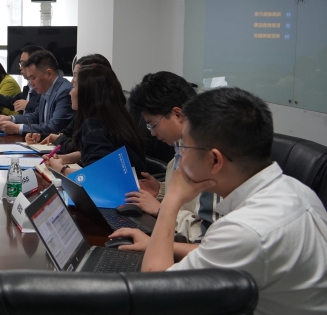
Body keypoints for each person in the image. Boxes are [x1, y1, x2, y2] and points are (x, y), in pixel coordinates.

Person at [117, 87, 327, 315]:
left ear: (214, 160)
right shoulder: (297, 190)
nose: (180, 156)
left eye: (184, 147)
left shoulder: (245, 230)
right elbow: (221, 252)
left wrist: (171, 201)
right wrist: (157, 244)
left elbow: (156, 293)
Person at [120, 71, 216, 244]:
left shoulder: (210, 162)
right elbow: (188, 200)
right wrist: (160, 190)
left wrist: (162, 210)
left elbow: (207, 236)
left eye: (152, 125)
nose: (153, 133)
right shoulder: (179, 149)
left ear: (178, 114)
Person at [46, 63, 146, 174]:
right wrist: (62, 159)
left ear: (87, 92)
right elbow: (96, 154)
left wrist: (60, 169)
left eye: (74, 87)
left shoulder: (93, 126)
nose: (70, 92)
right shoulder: (115, 118)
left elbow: (95, 176)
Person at [29, 53, 116, 155]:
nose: (71, 82)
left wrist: (63, 162)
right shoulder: (86, 112)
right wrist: (42, 136)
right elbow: (66, 134)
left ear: (92, 80)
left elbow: (78, 146)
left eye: (76, 75)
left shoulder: (97, 121)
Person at [0, 50, 74, 136]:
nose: (31, 83)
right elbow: (35, 116)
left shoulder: (64, 92)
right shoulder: (46, 88)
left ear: (49, 74)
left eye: (33, 78)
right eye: (29, 79)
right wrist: (11, 119)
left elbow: (54, 128)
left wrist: (17, 128)